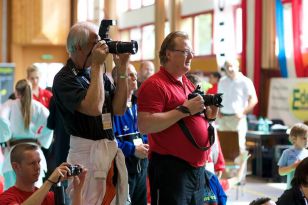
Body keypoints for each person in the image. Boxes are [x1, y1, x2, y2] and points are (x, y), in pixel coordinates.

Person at [137, 31, 219, 205]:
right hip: (171, 170)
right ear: (168, 53)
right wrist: (184, 110)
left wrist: (209, 118)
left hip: (196, 170)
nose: (190, 56)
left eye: (192, 53)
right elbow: (144, 124)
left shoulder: (187, 82)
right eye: (185, 52)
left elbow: (191, 120)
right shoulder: (154, 84)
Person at [52, 21, 129, 204]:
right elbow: (94, 108)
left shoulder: (96, 73)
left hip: (107, 149)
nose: (101, 46)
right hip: (85, 155)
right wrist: (96, 66)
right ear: (79, 47)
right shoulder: (64, 79)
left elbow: (119, 109)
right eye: (95, 43)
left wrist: (123, 68)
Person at [0, 79, 53, 190]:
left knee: (12, 193)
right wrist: (42, 140)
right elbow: (50, 122)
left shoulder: (10, 104)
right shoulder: (38, 106)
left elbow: (1, 118)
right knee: (35, 194)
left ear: (16, 92)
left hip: (14, 154)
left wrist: (6, 136)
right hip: (35, 152)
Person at [0, 143, 86, 205]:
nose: (38, 167)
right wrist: (49, 182)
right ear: (16, 166)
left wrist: (78, 190)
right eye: (32, 163)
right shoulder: (6, 198)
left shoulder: (49, 196)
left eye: (39, 162)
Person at [112, 64, 149, 205]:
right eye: (130, 75)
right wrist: (133, 150)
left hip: (142, 167)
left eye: (135, 74)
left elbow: (146, 132)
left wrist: (147, 145)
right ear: (118, 79)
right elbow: (110, 141)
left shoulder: (138, 103)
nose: (135, 77)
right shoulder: (112, 107)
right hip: (122, 170)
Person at [186, 73, 225, 178]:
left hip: (208, 164)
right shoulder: (181, 112)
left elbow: (215, 141)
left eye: (201, 92)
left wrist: (219, 164)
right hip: (187, 167)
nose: (200, 97)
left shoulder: (206, 113)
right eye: (195, 93)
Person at [217, 59, 258, 153]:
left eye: (232, 66)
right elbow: (219, 98)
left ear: (238, 66)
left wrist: (243, 112)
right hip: (223, 118)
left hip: (237, 119)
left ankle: (241, 168)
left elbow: (254, 100)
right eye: (227, 67)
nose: (230, 69)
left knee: (239, 147)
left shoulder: (245, 81)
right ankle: (225, 168)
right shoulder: (222, 81)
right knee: (223, 146)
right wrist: (218, 110)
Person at [277, 123, 308, 189]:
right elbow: (281, 172)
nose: (307, 140)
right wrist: (293, 167)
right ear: (294, 138)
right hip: (292, 190)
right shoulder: (287, 153)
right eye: (304, 138)